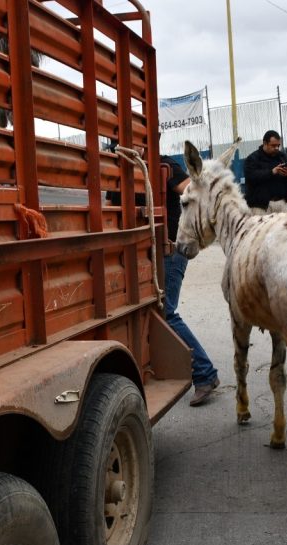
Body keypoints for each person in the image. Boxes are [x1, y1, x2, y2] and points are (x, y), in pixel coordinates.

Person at [109, 153, 220, 406]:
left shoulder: (164, 165)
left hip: (170, 251)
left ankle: (205, 374)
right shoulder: (116, 171)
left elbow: (193, 192)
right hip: (143, 253)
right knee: (152, 313)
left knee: (166, 313)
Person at [243, 130, 287, 215]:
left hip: (281, 204)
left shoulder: (281, 156)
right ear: (265, 143)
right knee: (262, 229)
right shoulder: (253, 158)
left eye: (278, 145)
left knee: (282, 228)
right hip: (260, 207)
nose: (276, 148)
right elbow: (251, 177)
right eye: (273, 145)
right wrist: (271, 172)